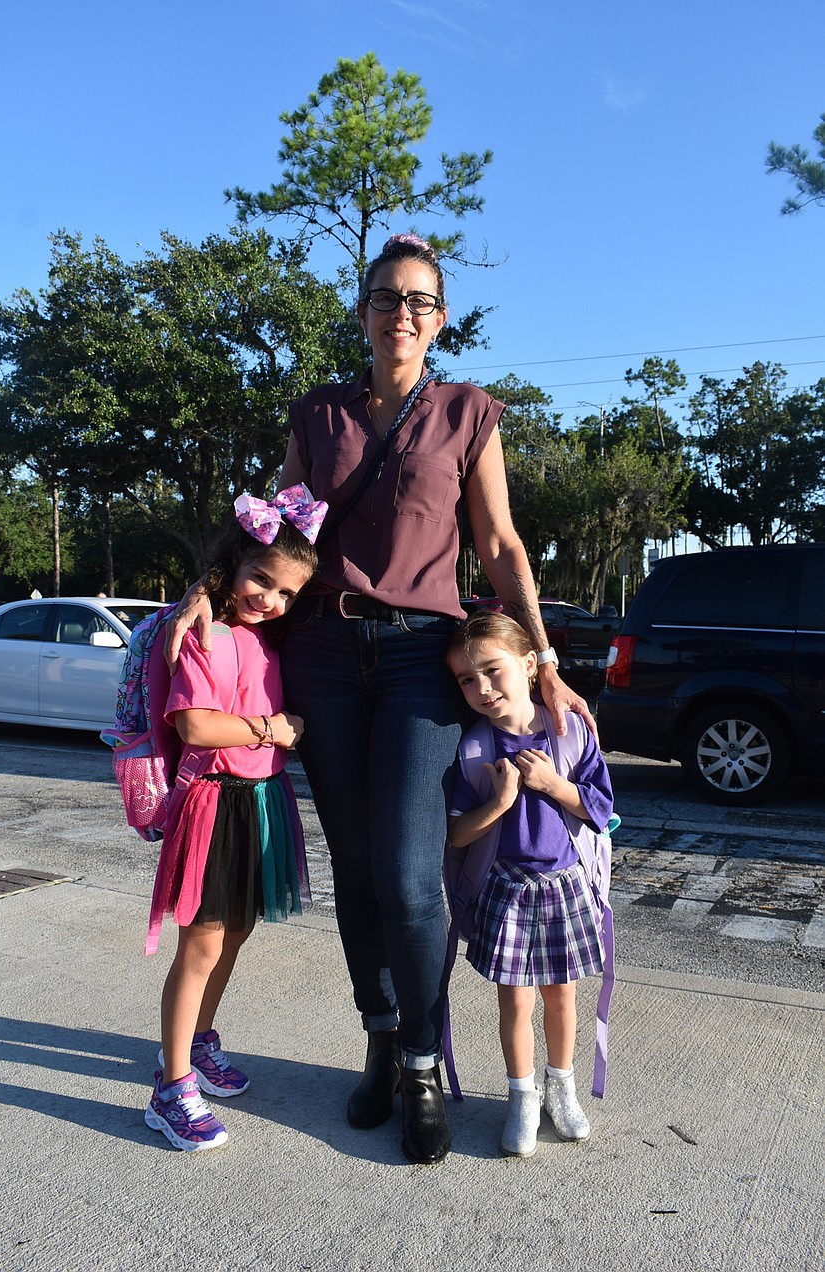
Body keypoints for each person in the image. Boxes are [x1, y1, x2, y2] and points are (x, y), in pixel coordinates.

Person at [167, 233, 596, 1165]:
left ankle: (424, 1063)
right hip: (321, 651)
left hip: (415, 659)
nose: (400, 311)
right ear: (362, 310)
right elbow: (273, 537)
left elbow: (502, 545)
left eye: (418, 300)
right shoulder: (318, 414)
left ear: (438, 319)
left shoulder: (467, 413)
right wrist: (206, 590)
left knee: (408, 872)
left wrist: (546, 657)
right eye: (385, 296)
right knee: (357, 870)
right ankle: (379, 1035)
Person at [144, 487, 326, 1152]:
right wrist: (271, 729)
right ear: (232, 565)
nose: (270, 598)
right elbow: (194, 724)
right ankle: (171, 1088)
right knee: (201, 944)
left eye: (286, 592)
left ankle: (197, 1041)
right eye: (260, 578)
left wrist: (281, 730)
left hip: (262, 800)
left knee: (237, 931)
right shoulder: (204, 632)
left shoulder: (266, 640)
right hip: (214, 801)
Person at [445, 611, 614, 1158]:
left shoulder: (569, 732)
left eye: (493, 670)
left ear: (527, 662)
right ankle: (522, 1096)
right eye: (467, 680)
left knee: (562, 995)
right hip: (505, 888)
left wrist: (553, 785)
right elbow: (456, 835)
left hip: (565, 883)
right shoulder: (472, 748)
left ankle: (560, 1086)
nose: (482, 688)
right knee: (514, 1003)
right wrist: (499, 802)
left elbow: (604, 810)